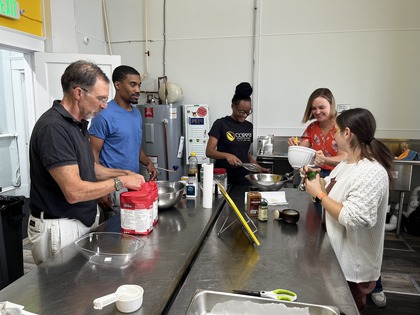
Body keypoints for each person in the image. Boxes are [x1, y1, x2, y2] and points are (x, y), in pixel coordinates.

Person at [28, 60, 145, 265]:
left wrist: (125, 174)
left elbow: (90, 169)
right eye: (100, 98)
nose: (104, 105)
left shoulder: (78, 124)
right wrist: (121, 183)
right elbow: (74, 192)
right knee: (60, 292)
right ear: (79, 93)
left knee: (81, 289)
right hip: (59, 226)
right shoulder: (54, 129)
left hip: (80, 221)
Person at [303, 108, 393, 313]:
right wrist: (313, 179)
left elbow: (353, 217)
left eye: (336, 130)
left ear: (347, 133)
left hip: (353, 266)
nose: (333, 135)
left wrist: (320, 195)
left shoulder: (371, 172)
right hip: (336, 256)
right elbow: (330, 188)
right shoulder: (347, 163)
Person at [89, 65, 156, 213]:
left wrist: (148, 163)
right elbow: (92, 153)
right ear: (118, 85)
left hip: (134, 183)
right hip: (113, 186)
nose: (138, 90)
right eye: (133, 84)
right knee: (115, 231)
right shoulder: (103, 115)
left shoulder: (136, 113)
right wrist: (100, 189)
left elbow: (133, 144)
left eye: (139, 85)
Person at [206, 82, 268, 185]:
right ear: (232, 106)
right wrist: (227, 155)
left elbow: (245, 154)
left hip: (243, 177)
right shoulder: (221, 124)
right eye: (241, 112)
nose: (245, 115)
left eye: (248, 112)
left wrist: (259, 168)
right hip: (223, 177)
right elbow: (209, 151)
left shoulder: (249, 126)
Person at [288, 88, 347, 178]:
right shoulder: (312, 127)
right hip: (316, 172)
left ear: (332, 105)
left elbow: (345, 158)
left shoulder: (342, 126)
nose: (317, 112)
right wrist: (294, 146)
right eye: (314, 108)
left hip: (338, 174)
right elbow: (302, 149)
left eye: (321, 107)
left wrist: (325, 160)